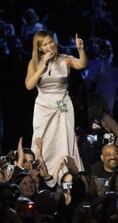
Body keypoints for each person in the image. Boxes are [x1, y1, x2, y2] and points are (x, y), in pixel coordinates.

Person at [25, 31, 87, 179]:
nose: (49, 46)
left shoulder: (64, 59)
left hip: (62, 104)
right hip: (43, 106)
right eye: (45, 44)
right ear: (39, 48)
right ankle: (42, 176)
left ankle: (67, 176)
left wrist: (80, 49)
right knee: (43, 141)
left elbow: (82, 64)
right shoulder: (34, 63)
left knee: (63, 139)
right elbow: (29, 85)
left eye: (51, 42)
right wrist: (43, 65)